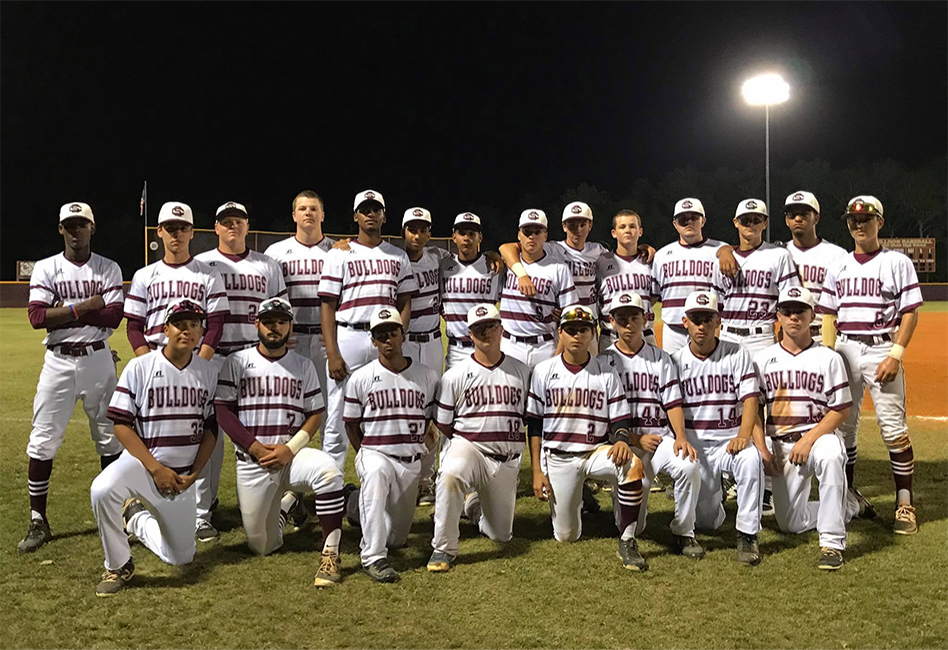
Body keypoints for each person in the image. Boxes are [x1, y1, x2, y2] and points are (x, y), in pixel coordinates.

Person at [90, 300, 219, 596]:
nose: (186, 331)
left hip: (181, 478)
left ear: (201, 333)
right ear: (165, 330)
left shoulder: (208, 372)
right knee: (103, 489)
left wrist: (195, 473)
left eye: (194, 325)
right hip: (144, 465)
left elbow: (211, 429)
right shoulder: (141, 366)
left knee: (181, 557)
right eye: (179, 325)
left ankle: (136, 519)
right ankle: (118, 564)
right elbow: (121, 424)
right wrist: (156, 468)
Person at [214, 297, 344, 587]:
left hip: (291, 456)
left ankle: (331, 553)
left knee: (330, 472)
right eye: (269, 321)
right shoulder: (238, 361)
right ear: (257, 324)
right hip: (253, 461)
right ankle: (288, 504)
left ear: (290, 327)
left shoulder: (303, 365)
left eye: (282, 322)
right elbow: (223, 410)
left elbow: (315, 414)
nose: (275, 327)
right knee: (263, 545)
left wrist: (290, 449)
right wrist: (254, 447)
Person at [18, 202, 126, 553]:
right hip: (58, 362)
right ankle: (38, 520)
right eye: (70, 225)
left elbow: (113, 317)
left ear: (92, 228)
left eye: (82, 224)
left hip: (98, 358)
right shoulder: (47, 266)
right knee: (43, 441)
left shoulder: (108, 267)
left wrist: (63, 312)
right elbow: (37, 318)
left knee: (110, 438)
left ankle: (115, 513)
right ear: (61, 229)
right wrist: (86, 306)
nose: (76, 230)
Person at [818, 195, 924, 535]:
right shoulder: (838, 264)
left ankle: (904, 503)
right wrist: (829, 354)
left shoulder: (897, 262)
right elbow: (829, 315)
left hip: (881, 347)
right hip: (845, 348)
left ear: (880, 222)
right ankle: (848, 497)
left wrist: (896, 353)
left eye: (866, 219)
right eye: (853, 220)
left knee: (893, 428)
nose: (859, 225)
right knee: (843, 427)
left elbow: (910, 312)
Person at [192, 201, 287, 542]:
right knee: (209, 434)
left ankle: (274, 501)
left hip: (253, 357)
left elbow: (281, 309)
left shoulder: (266, 264)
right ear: (216, 227)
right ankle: (201, 512)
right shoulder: (202, 263)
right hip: (213, 356)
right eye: (226, 221)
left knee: (265, 428)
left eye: (239, 221)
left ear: (248, 226)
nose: (233, 226)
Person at [526, 305, 648, 571]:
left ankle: (627, 540)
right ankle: (579, 492)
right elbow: (534, 424)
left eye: (583, 330)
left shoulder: (606, 372)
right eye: (570, 330)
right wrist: (536, 470)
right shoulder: (543, 371)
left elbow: (619, 418)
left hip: (595, 451)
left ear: (593, 333)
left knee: (632, 465)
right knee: (566, 536)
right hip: (559, 457)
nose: (577, 335)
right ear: (560, 333)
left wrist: (621, 440)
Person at [782, 191, 873, 517]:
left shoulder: (836, 255)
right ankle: (774, 484)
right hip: (790, 341)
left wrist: (832, 348)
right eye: (792, 213)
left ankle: (844, 488)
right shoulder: (778, 253)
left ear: (816, 217)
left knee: (842, 417)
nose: (798, 218)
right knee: (785, 411)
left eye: (804, 213)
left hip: (826, 338)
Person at [752, 287, 857, 570]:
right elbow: (754, 411)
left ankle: (832, 543)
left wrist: (809, 439)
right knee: (790, 524)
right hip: (781, 445)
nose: (793, 317)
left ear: (812, 316)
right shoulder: (763, 359)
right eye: (787, 311)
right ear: (778, 316)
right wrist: (762, 449)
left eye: (800, 311)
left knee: (832, 456)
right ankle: (846, 506)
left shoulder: (828, 358)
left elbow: (841, 409)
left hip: (819, 437)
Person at [318, 189, 417, 472]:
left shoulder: (398, 255)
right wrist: (332, 353)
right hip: (349, 335)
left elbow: (405, 300)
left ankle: (384, 473)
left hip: (385, 337)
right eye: (365, 210)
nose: (370, 214)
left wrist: (400, 335)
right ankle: (332, 483)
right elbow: (328, 305)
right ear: (356, 217)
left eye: (376, 209)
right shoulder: (340, 254)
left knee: (385, 407)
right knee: (338, 413)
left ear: (384, 216)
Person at [713, 198, 801, 516]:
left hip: (762, 336)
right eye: (745, 220)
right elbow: (714, 305)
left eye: (756, 219)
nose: (750, 225)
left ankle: (766, 486)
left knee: (765, 406)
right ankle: (728, 476)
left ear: (765, 223)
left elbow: (790, 300)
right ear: (735, 223)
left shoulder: (778, 256)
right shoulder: (721, 258)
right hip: (728, 335)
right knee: (727, 406)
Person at [428, 304, 531, 572]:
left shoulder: (522, 371)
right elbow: (444, 424)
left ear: (501, 330)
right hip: (470, 447)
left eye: (490, 326)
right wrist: (467, 443)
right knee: (451, 474)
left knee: (501, 535)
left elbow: (527, 417)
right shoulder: (455, 375)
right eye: (479, 329)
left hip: (506, 458)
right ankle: (443, 548)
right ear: (470, 335)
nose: (486, 332)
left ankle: (473, 506)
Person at [599, 292, 703, 559]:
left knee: (689, 464)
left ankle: (684, 531)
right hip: (623, 445)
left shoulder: (660, 358)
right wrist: (634, 439)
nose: (628, 323)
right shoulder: (603, 362)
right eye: (622, 318)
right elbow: (603, 416)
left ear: (645, 318)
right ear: (611, 321)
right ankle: (624, 513)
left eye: (634, 317)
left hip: (658, 440)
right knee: (636, 526)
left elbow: (673, 403)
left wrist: (681, 437)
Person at [342, 308, 439, 582]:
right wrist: (364, 452)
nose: (387, 340)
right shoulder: (361, 378)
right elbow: (351, 424)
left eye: (392, 333)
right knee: (375, 473)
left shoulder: (427, 376)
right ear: (373, 340)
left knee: (396, 539)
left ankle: (352, 502)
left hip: (409, 462)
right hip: (376, 454)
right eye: (381, 335)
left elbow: (430, 422)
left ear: (402, 335)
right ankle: (372, 557)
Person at [672, 291, 767, 565]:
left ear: (718, 322)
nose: (701, 325)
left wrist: (744, 435)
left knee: (750, 459)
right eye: (695, 319)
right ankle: (717, 497)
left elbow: (750, 399)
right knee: (708, 522)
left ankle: (747, 534)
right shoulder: (675, 361)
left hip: (728, 442)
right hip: (695, 446)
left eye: (707, 319)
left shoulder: (736, 352)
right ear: (685, 322)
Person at [125, 201, 229, 359]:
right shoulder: (143, 275)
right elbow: (134, 327)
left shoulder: (210, 275)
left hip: (196, 357)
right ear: (159, 231)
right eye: (171, 228)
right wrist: (148, 362)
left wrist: (200, 362)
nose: (178, 233)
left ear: (192, 233)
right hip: (155, 355)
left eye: (184, 228)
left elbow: (215, 326)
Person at [500, 202, 607, 353]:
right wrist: (521, 273)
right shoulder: (553, 248)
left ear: (590, 225)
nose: (577, 229)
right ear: (564, 226)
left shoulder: (598, 251)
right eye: (572, 225)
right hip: (561, 323)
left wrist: (641, 249)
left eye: (582, 224)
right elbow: (506, 248)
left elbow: (619, 260)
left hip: (588, 322)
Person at [263, 190, 337, 411]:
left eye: (314, 209)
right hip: (292, 339)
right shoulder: (275, 252)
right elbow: (267, 298)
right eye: (302, 209)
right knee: (289, 403)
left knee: (330, 407)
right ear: (294, 215)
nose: (308, 213)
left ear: (322, 215)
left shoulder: (338, 251)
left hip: (326, 340)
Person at [652, 198, 738, 354]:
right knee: (673, 368)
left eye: (694, 218)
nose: (689, 222)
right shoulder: (662, 255)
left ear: (703, 221)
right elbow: (654, 294)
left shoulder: (719, 250)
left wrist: (727, 250)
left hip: (707, 327)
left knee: (710, 368)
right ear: (675, 224)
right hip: (674, 330)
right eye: (683, 219)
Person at [498, 209, 578, 368]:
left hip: (545, 346)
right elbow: (503, 249)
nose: (532, 236)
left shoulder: (559, 267)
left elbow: (570, 316)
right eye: (527, 232)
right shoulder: (507, 265)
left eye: (537, 232)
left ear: (545, 235)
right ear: (519, 235)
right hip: (510, 345)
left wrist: (558, 356)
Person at [441, 212, 504, 369]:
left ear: (479, 238)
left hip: (486, 346)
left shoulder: (493, 266)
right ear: (454, 237)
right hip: (456, 349)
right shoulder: (443, 265)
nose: (466, 238)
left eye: (471, 234)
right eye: (462, 233)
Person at [597, 210, 660, 352]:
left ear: (640, 232)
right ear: (614, 233)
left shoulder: (650, 261)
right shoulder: (601, 262)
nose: (627, 230)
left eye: (632, 226)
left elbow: (654, 296)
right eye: (622, 227)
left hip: (645, 335)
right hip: (610, 337)